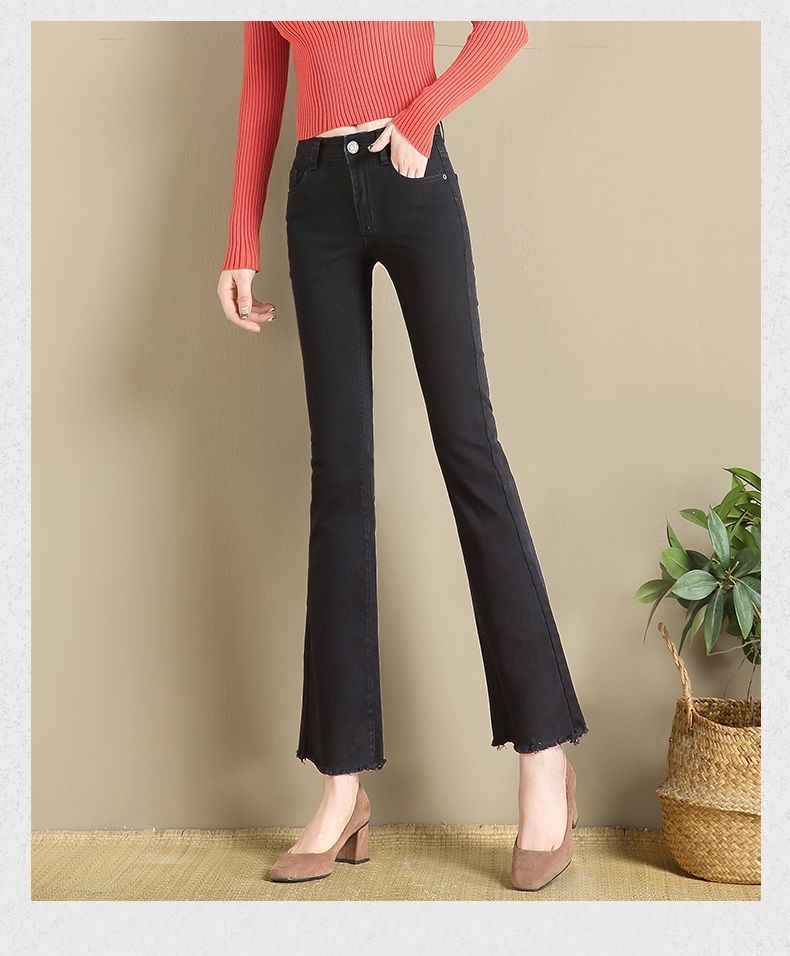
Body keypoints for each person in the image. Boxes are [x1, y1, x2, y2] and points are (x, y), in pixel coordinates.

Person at [216, 20, 589, 892]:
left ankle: (545, 760)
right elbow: (263, 83)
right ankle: (341, 789)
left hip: (411, 172)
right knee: (339, 482)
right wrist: (239, 240)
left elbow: (505, 26)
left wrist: (423, 115)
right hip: (316, 196)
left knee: (471, 454)